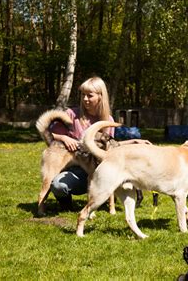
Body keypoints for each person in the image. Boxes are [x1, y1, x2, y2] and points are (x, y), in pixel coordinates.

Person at [49, 76, 145, 210]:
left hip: (99, 171)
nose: (85, 99)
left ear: (100, 96)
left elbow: (110, 148)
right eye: (83, 95)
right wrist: (64, 138)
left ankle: (104, 197)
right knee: (59, 186)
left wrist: (134, 141)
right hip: (75, 169)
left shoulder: (107, 120)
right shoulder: (71, 114)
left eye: (89, 95)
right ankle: (66, 205)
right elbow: (49, 134)